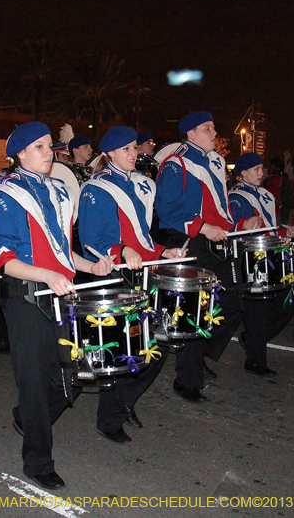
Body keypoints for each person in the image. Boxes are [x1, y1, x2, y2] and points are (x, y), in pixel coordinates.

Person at [0, 121, 112, 490]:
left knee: (73, 376)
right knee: (36, 382)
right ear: (20, 154)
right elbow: (5, 260)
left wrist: (91, 265)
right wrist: (47, 276)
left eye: (49, 146)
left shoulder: (57, 190)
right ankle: (38, 461)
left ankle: (27, 416)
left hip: (60, 295)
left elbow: (63, 252)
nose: (48, 153)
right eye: (38, 147)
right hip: (26, 298)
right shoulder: (5, 194)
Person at [78, 125, 185, 443]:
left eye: (134, 148)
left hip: (140, 274)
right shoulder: (95, 188)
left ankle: (124, 401)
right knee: (117, 351)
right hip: (110, 275)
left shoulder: (139, 184)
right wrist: (120, 249)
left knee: (157, 346)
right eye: (126, 149)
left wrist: (164, 251)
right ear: (110, 153)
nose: (134, 153)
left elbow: (143, 237)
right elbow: (91, 240)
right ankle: (108, 419)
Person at [154, 111, 249, 401]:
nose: (213, 132)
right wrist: (203, 227)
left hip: (215, 243)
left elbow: (220, 205)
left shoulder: (214, 162)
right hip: (191, 243)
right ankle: (187, 381)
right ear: (191, 134)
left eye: (213, 127)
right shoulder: (176, 163)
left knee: (232, 301)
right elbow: (166, 209)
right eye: (207, 128)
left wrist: (235, 228)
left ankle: (199, 356)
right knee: (194, 312)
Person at [228, 152, 294, 375]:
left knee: (287, 303)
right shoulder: (236, 197)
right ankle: (256, 359)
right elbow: (238, 230)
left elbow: (269, 227)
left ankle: (253, 338)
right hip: (252, 259)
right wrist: (245, 224)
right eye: (256, 169)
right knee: (257, 309)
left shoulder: (265, 195)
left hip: (272, 254)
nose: (262, 173)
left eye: (261, 169)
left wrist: (284, 230)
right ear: (242, 174)